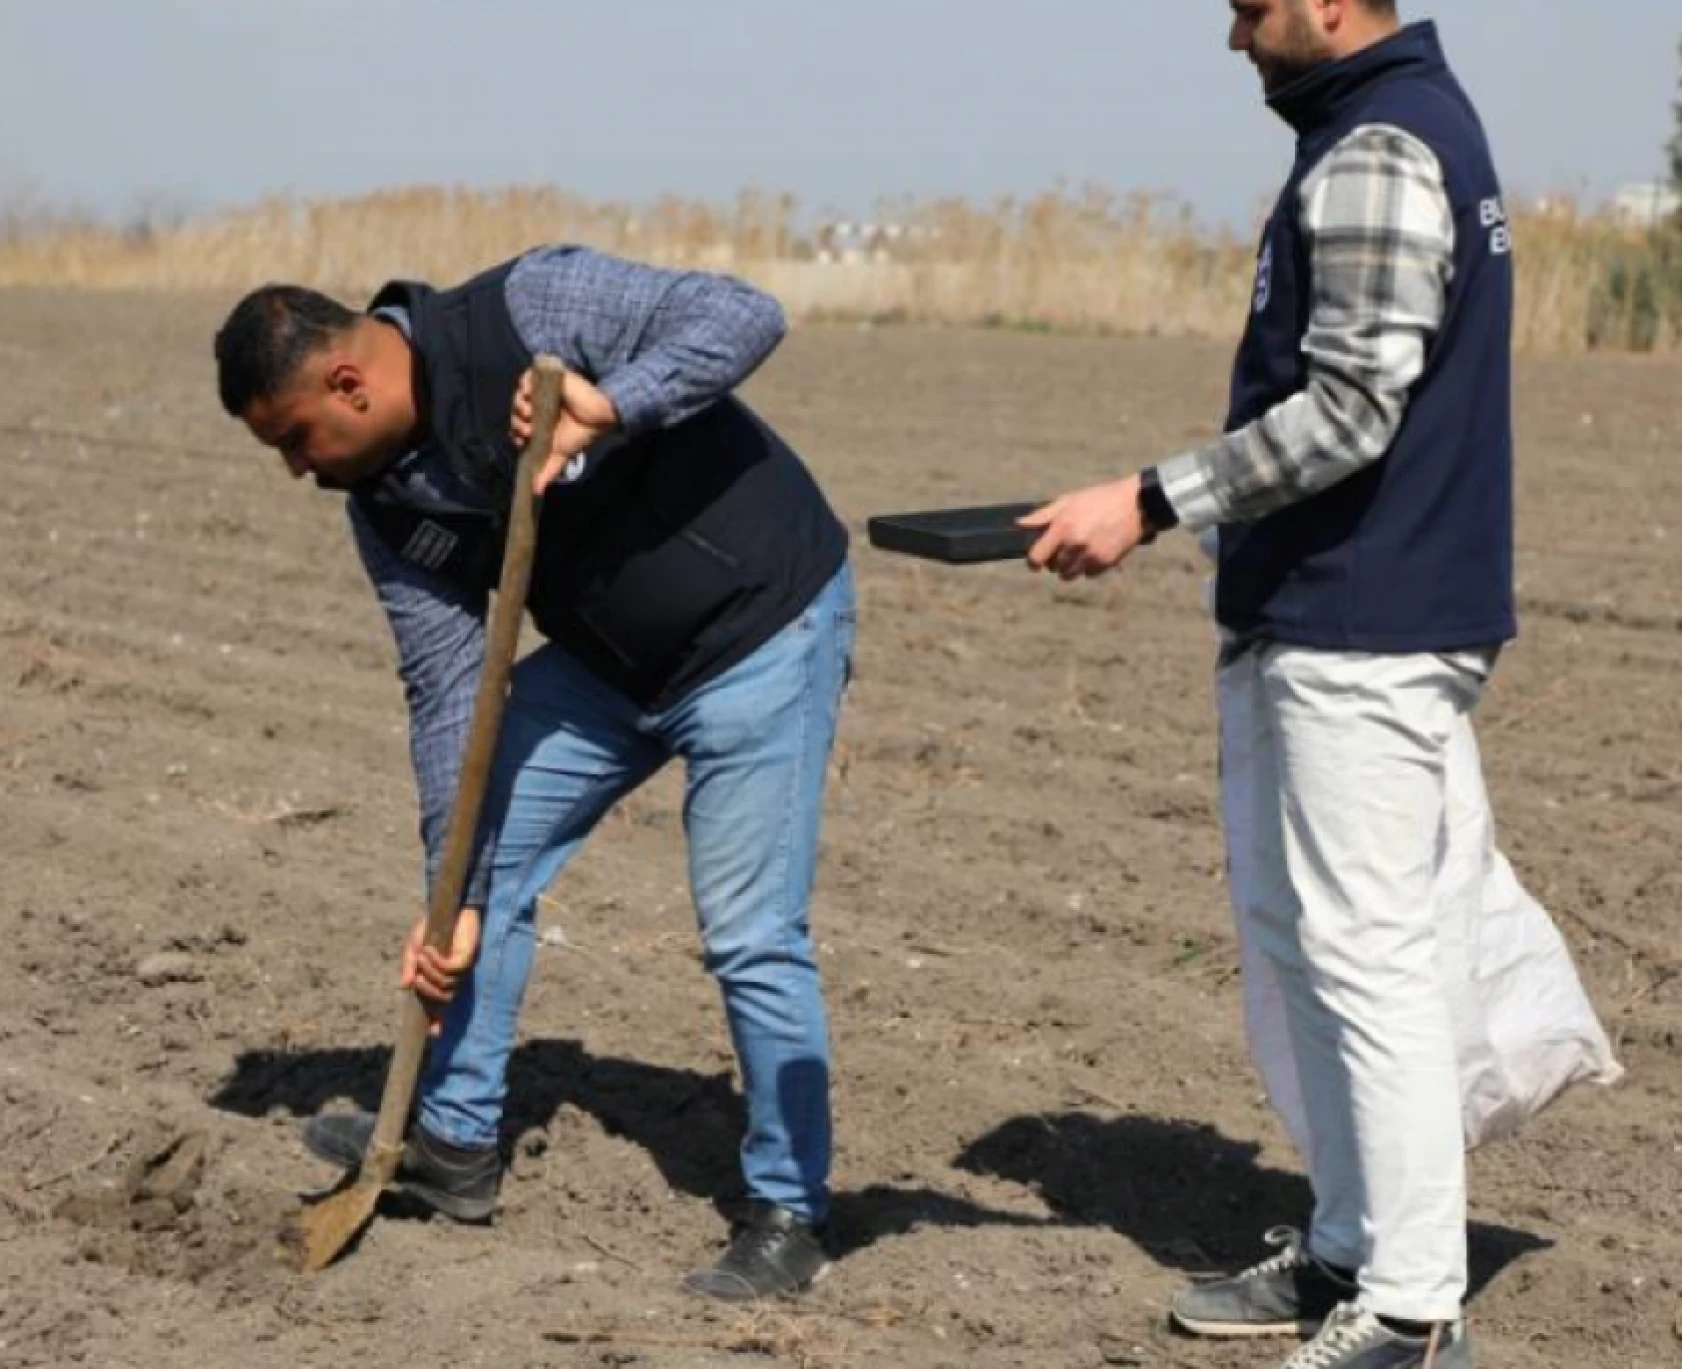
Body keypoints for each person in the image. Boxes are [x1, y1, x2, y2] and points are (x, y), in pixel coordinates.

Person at [213, 245, 856, 1301]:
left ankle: (789, 1208)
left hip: (762, 630)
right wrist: (452, 895)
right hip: (610, 667)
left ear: (347, 384)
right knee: (479, 857)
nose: (297, 467)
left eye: (293, 439)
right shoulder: (380, 504)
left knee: (749, 931)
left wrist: (612, 406)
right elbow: (448, 698)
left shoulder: (526, 307)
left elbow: (744, 313)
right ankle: (455, 1145)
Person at [1021, 5, 1518, 1365]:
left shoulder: (1376, 145)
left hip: (1363, 618)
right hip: (1343, 611)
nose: (1232, 35)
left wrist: (1147, 498)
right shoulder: (1384, 127)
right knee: (1319, 946)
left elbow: (1353, 409)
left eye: (1248, 5)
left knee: (1367, 958)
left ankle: (1410, 1310)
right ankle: (1353, 1248)